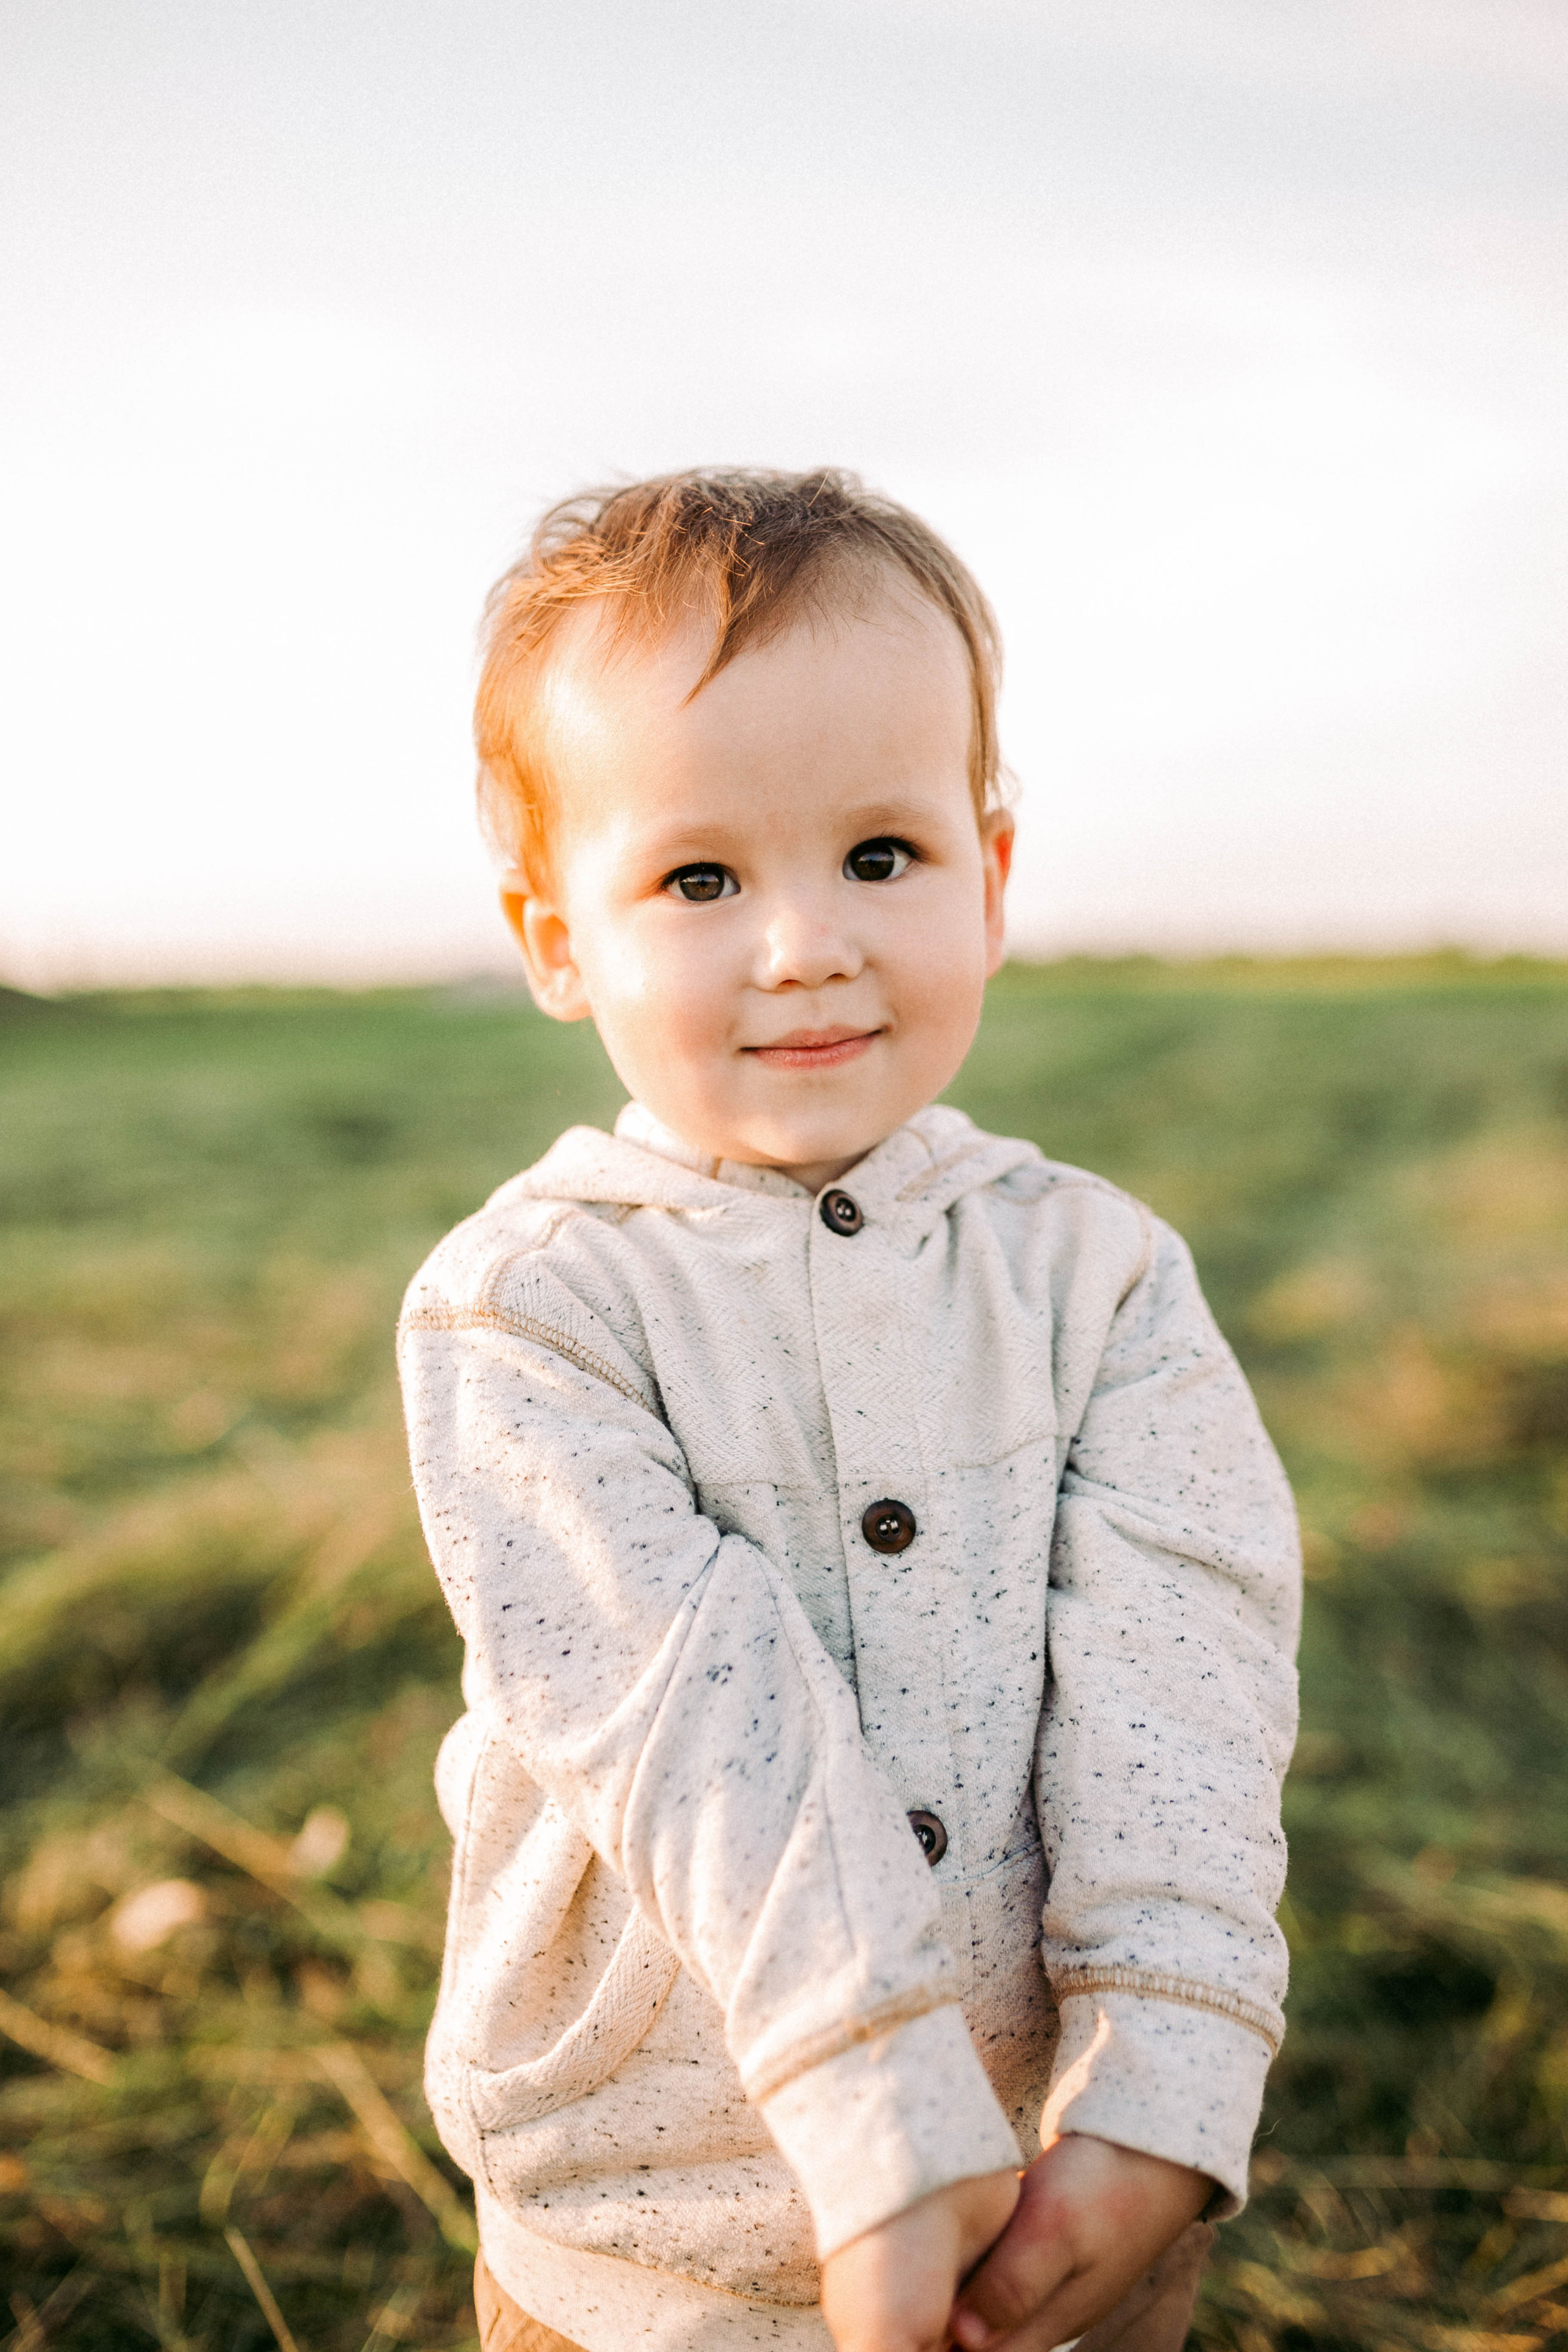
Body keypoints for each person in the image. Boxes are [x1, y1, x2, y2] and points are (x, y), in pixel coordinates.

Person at [398, 470, 1300, 2352]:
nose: (805, 940)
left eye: (880, 856)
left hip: (1059, 2214)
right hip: (645, 2242)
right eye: (702, 878)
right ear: (557, 937)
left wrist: (1165, 2085)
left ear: (993, 873)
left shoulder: (1103, 1279)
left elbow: (1187, 1684)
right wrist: (878, 2101)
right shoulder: (530, 1311)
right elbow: (679, 1714)